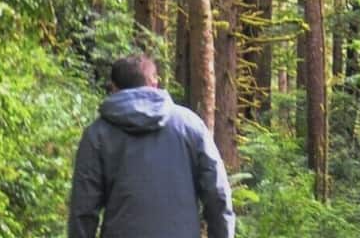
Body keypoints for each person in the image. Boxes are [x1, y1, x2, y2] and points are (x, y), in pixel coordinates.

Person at [68, 55, 235, 238]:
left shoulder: (97, 134)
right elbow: (218, 196)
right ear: (155, 83)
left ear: (114, 88)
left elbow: (83, 210)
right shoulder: (190, 125)